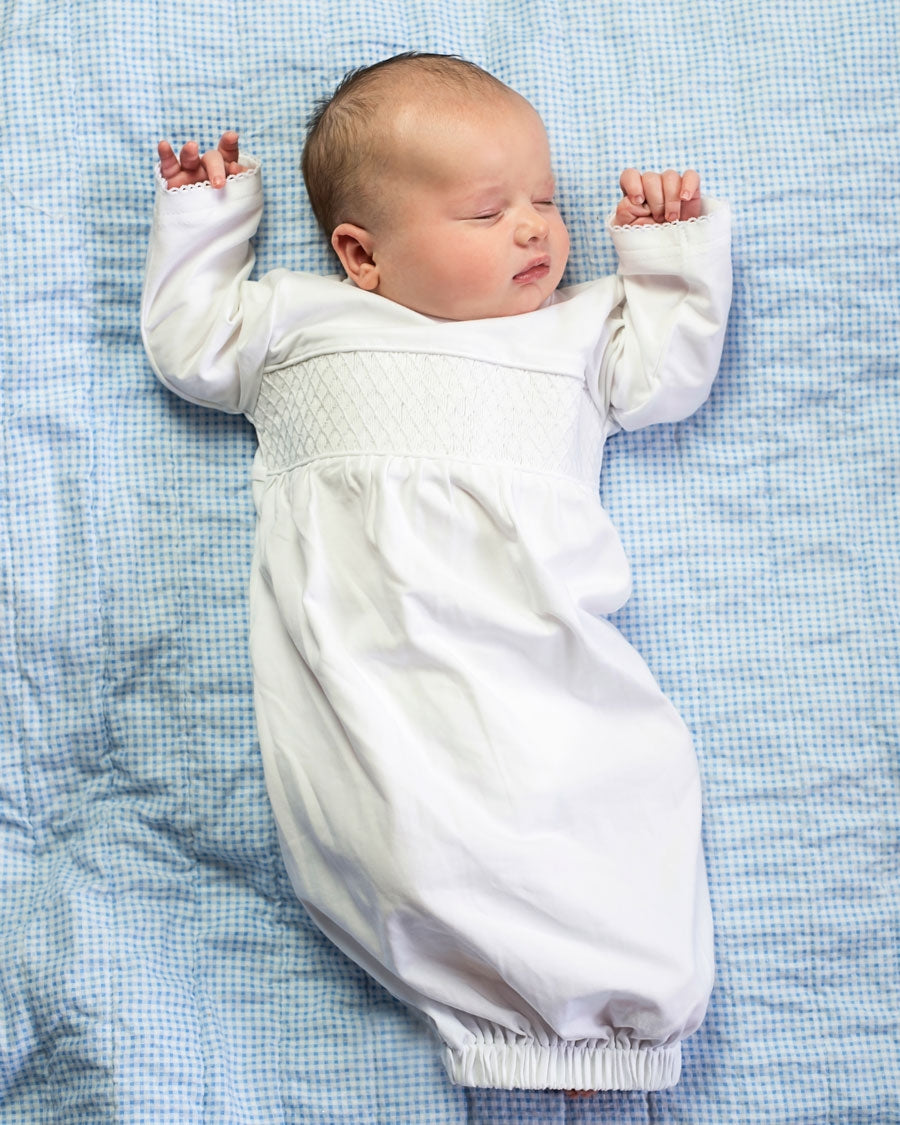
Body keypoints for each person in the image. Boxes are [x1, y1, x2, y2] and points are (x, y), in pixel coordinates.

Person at [141, 52, 732, 1093]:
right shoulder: (297, 321)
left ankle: (610, 1011)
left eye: (546, 201)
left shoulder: (575, 328)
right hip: (366, 661)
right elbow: (191, 344)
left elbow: (661, 383)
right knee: (401, 829)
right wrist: (206, 220)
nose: (537, 229)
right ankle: (503, 1011)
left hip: (538, 644)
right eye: (486, 211)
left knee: (603, 787)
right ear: (361, 256)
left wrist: (669, 259)